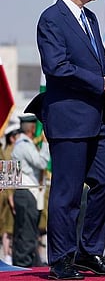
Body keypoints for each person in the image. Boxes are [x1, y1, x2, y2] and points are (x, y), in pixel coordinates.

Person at [31, 0, 105, 279]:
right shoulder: (51, 19)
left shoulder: (91, 18)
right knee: (67, 194)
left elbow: (100, 57)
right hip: (69, 118)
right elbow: (56, 67)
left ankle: (89, 252)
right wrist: (99, 82)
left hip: (98, 117)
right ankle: (60, 261)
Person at [11, 114, 49, 267]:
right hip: (27, 191)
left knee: (26, 231)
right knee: (26, 233)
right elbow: (41, 162)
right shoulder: (24, 145)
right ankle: (23, 264)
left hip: (26, 192)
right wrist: (45, 145)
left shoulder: (21, 143)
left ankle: (25, 262)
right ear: (33, 129)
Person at [0, 125, 21, 265]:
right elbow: (9, 179)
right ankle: (7, 255)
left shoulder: (12, 151)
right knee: (7, 228)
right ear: (12, 137)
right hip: (9, 195)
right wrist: (11, 198)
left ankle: (8, 255)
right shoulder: (9, 153)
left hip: (11, 193)